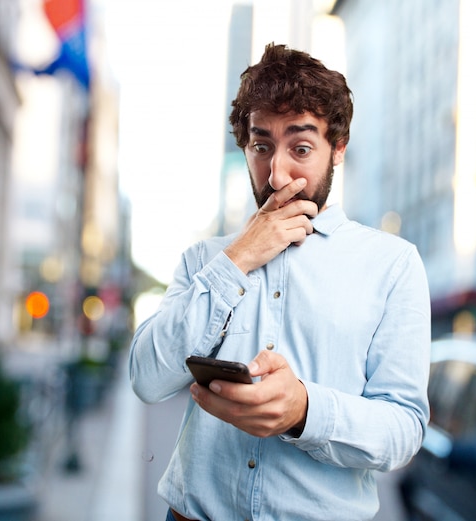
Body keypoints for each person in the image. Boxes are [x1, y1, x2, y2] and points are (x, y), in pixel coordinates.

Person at [128, 43, 431, 521]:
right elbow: (147, 378)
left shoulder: (393, 265)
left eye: (302, 147)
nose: (277, 174)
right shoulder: (207, 259)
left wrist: (304, 410)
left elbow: (404, 428)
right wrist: (239, 258)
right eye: (261, 146)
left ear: (339, 149)